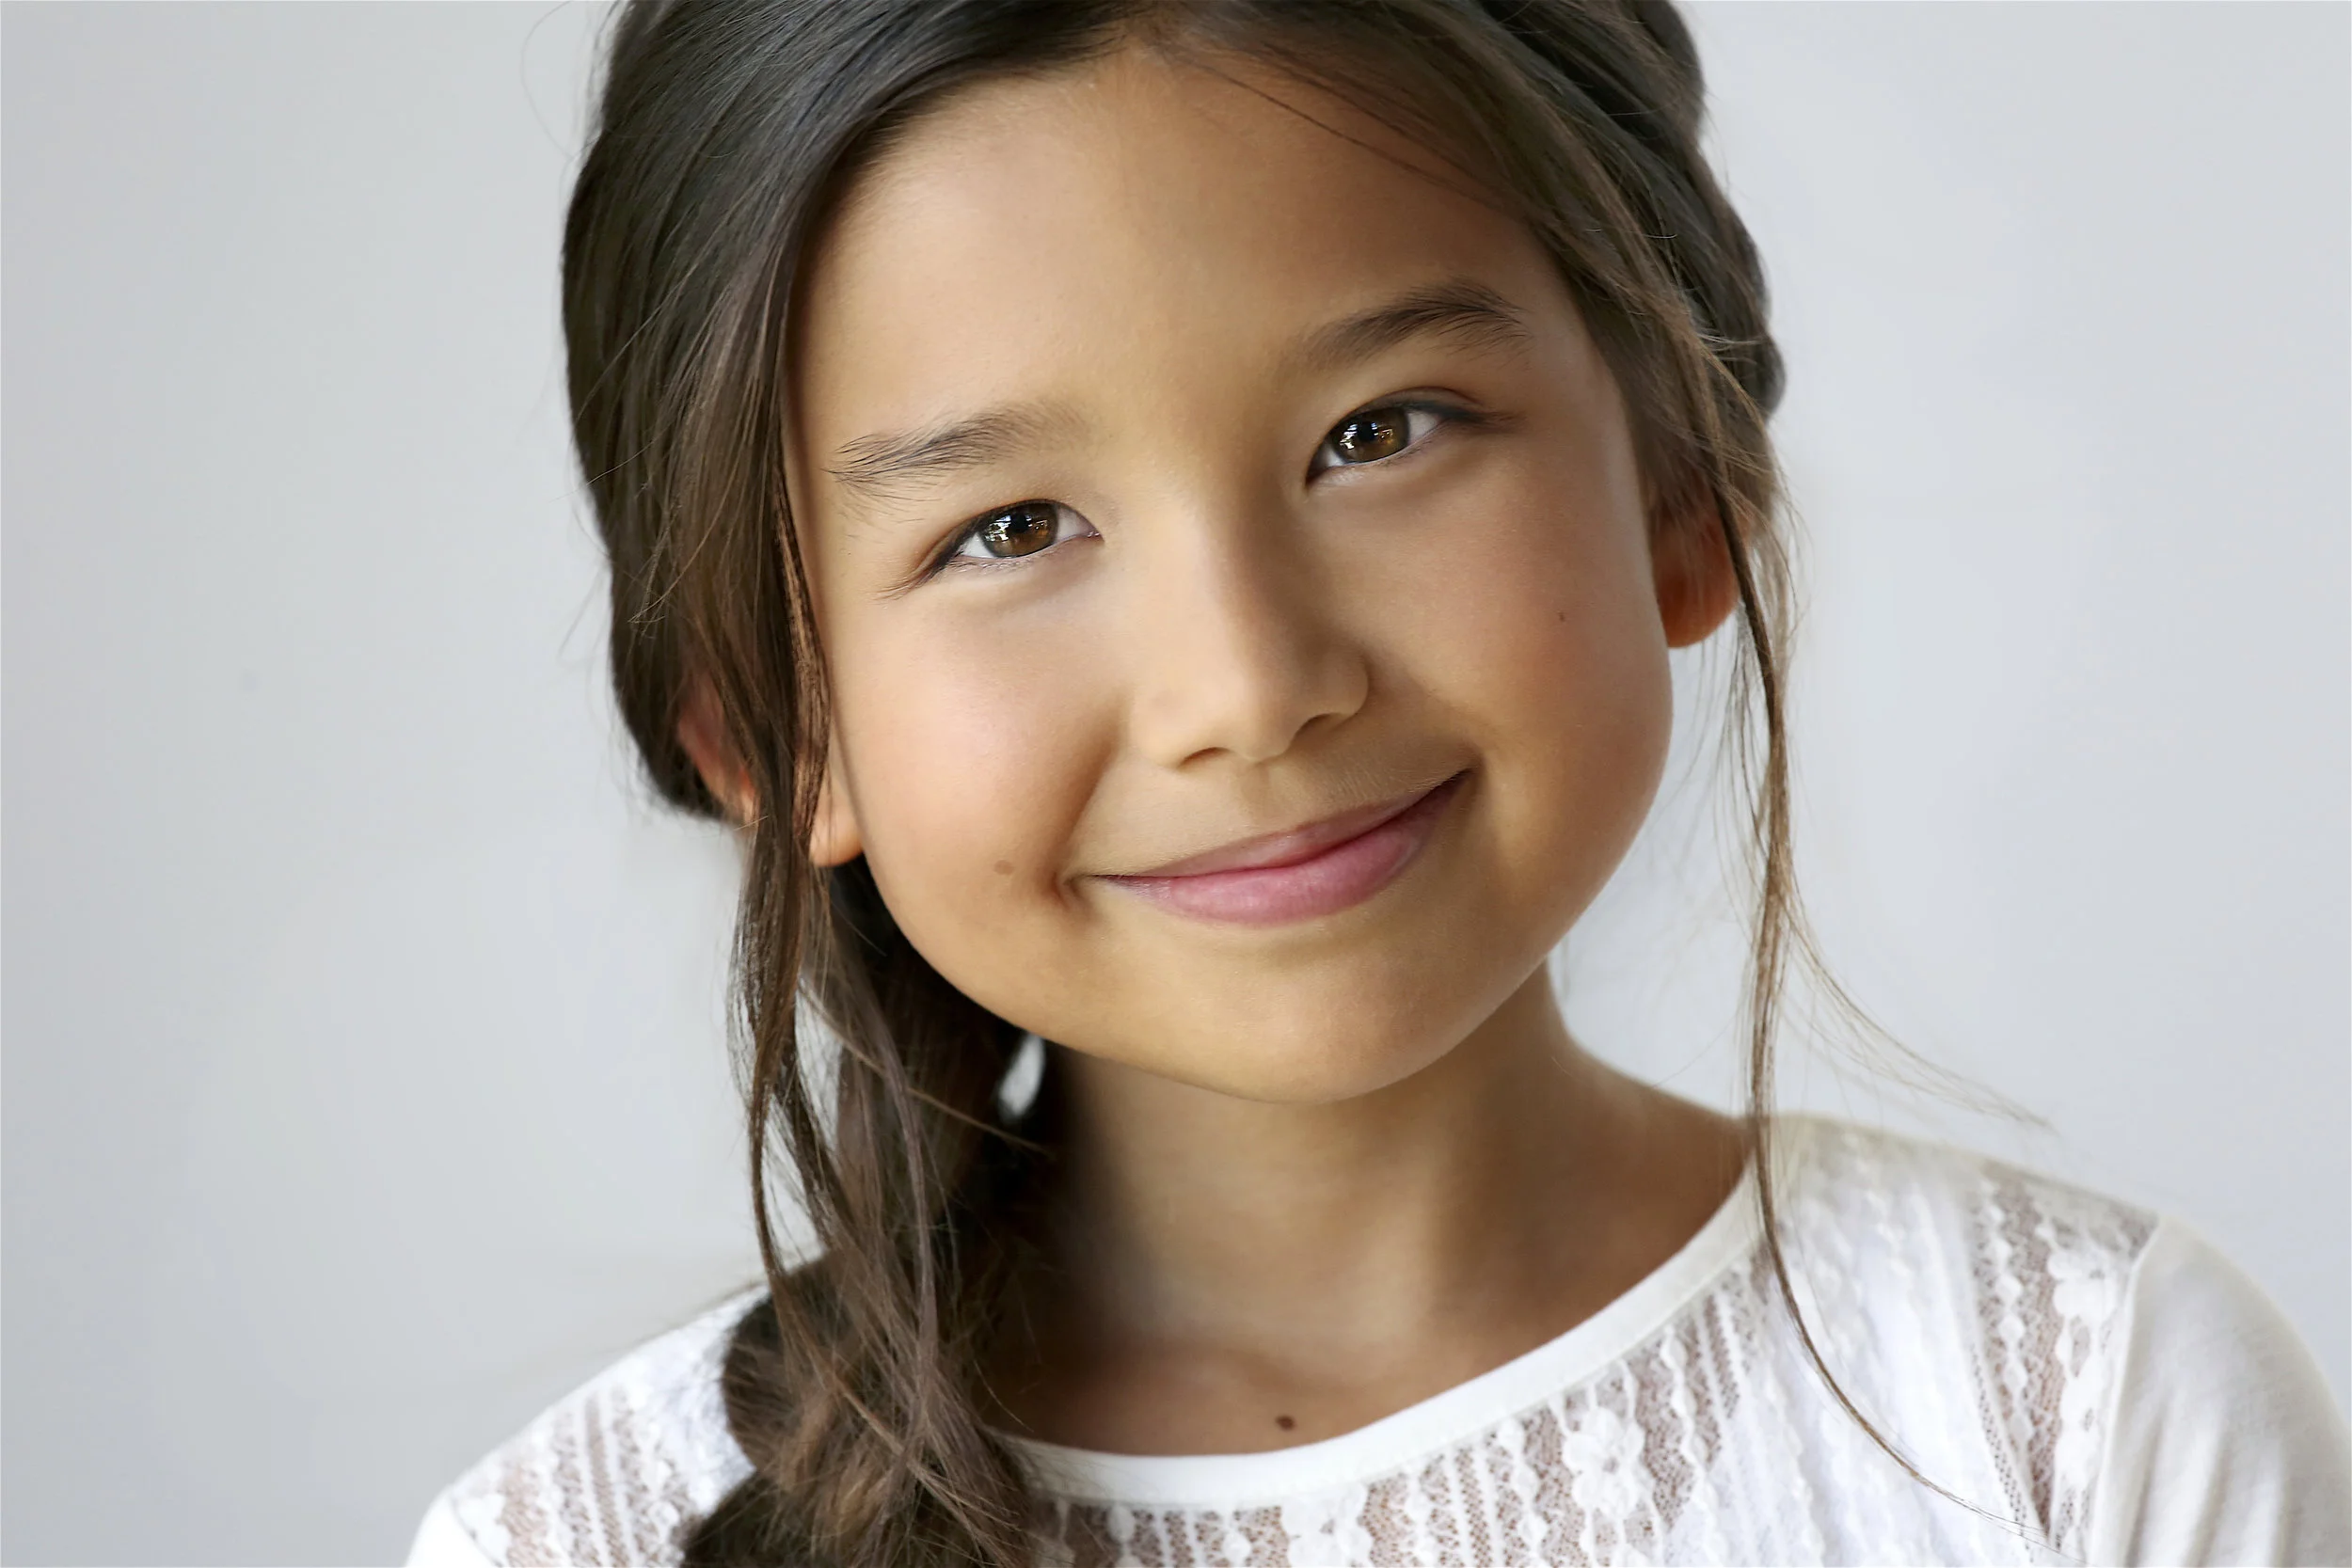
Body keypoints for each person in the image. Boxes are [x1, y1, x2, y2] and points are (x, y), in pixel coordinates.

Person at [405, 3, 2350, 1563]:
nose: (1249, 688)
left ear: (1683, 491)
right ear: (766, 730)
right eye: (1009, 529)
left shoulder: (2073, 1404)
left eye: (1380, 431)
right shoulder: (571, 1539)